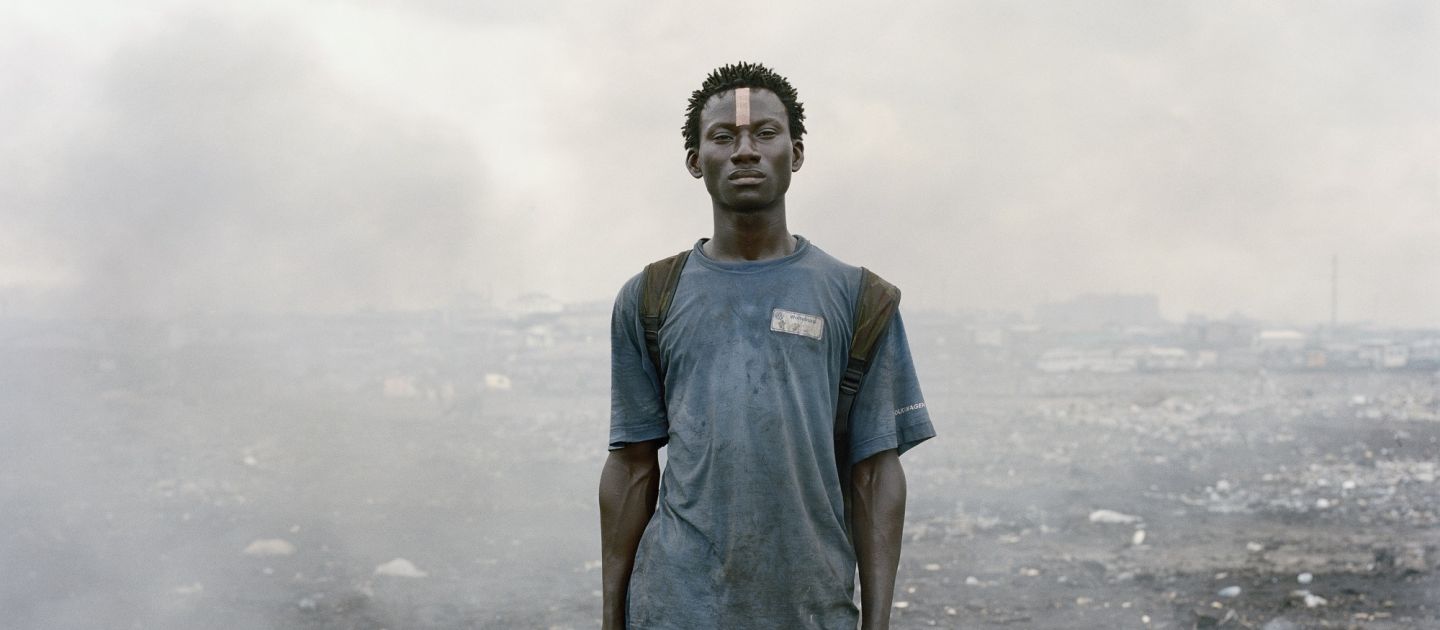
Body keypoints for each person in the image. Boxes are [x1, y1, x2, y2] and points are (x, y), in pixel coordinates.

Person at [599, 61, 935, 630]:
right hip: (674, 608)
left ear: (796, 154)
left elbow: (875, 473)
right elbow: (631, 466)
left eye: (765, 134)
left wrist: (875, 624)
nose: (746, 151)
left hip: (809, 608)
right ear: (695, 161)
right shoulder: (650, 297)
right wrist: (613, 619)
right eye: (724, 137)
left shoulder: (861, 299)